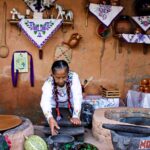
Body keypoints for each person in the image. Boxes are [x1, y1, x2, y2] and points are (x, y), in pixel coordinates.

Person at [40, 60, 83, 135]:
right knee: (53, 124)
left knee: (73, 125)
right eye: (57, 77)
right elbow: (45, 101)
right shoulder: (49, 82)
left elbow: (77, 96)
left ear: (68, 73)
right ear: (53, 75)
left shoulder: (73, 77)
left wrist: (76, 115)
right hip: (54, 107)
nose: (61, 81)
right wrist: (50, 117)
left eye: (64, 77)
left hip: (70, 106)